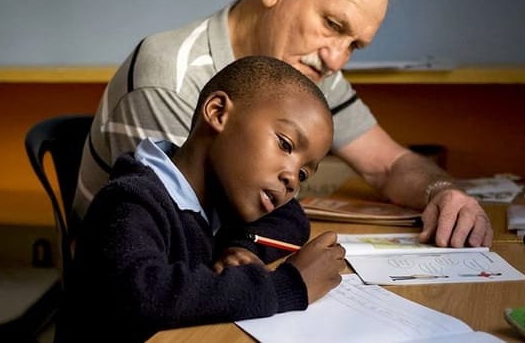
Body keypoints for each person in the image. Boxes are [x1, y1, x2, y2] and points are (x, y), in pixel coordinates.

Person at [74, 0, 493, 248]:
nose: (336, 59)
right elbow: (190, 243)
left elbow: (388, 164)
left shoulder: (305, 76)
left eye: (355, 45)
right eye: (331, 24)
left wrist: (444, 191)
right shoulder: (171, 77)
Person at [55, 56, 346, 343]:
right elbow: (143, 297)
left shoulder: (226, 194)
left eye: (304, 174)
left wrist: (241, 247)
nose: (292, 179)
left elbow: (291, 218)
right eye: (285, 144)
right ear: (218, 112)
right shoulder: (131, 201)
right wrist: (289, 286)